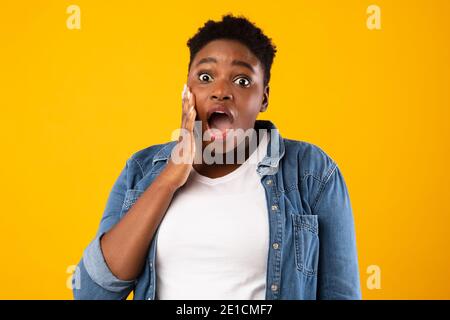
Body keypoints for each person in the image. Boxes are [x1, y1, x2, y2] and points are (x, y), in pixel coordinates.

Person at [73, 14, 361, 300]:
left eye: (242, 80)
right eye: (206, 77)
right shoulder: (142, 169)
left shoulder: (311, 172)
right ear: (187, 88)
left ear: (264, 98)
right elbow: (91, 293)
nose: (221, 91)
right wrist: (171, 177)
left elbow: (341, 294)